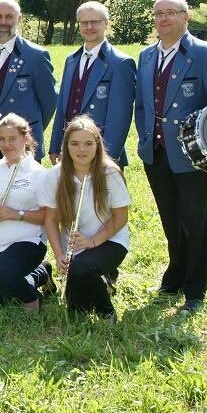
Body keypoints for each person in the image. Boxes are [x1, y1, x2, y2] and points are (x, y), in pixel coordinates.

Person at [135, 0, 207, 314]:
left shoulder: (205, 55)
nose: (164, 18)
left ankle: (195, 291)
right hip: (156, 153)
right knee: (171, 220)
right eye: (159, 13)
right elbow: (142, 104)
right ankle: (174, 278)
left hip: (193, 154)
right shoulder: (146, 57)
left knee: (196, 221)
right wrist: (144, 138)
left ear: (186, 17)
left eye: (171, 12)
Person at [40, 116, 131, 319]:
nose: (81, 149)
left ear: (97, 145)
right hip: (74, 247)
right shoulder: (54, 175)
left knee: (81, 268)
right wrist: (59, 255)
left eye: (88, 143)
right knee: (77, 312)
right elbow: (51, 220)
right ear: (66, 146)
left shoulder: (110, 173)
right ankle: (102, 283)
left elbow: (120, 217)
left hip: (110, 240)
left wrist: (92, 241)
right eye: (75, 144)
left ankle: (107, 313)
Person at [0, 114, 53, 313]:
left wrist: (16, 214)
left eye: (12, 139)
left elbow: (49, 217)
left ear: (25, 138)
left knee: (1, 277)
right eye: (2, 139)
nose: (6, 145)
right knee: (0, 300)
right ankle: (42, 273)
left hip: (28, 241)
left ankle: (33, 299)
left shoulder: (39, 174)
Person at [0, 0, 56, 167]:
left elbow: (49, 102)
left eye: (9, 16)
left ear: (19, 18)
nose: (3, 22)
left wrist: (28, 128)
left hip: (23, 142)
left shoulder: (36, 55)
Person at [50, 1, 136, 167]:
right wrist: (55, 146)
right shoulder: (71, 60)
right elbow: (62, 107)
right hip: (71, 150)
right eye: (84, 22)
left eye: (95, 22)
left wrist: (108, 158)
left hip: (100, 153)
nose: (89, 27)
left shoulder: (121, 63)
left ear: (106, 23)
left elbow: (120, 117)